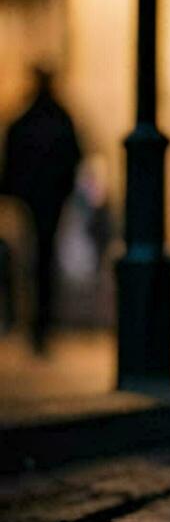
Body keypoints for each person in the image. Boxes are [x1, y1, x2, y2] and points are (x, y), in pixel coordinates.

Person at [0, 69, 82, 354]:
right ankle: (41, 321)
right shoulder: (60, 119)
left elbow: (12, 160)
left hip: (32, 198)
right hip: (50, 198)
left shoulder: (26, 120)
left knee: (34, 258)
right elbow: (74, 157)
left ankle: (34, 320)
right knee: (44, 257)